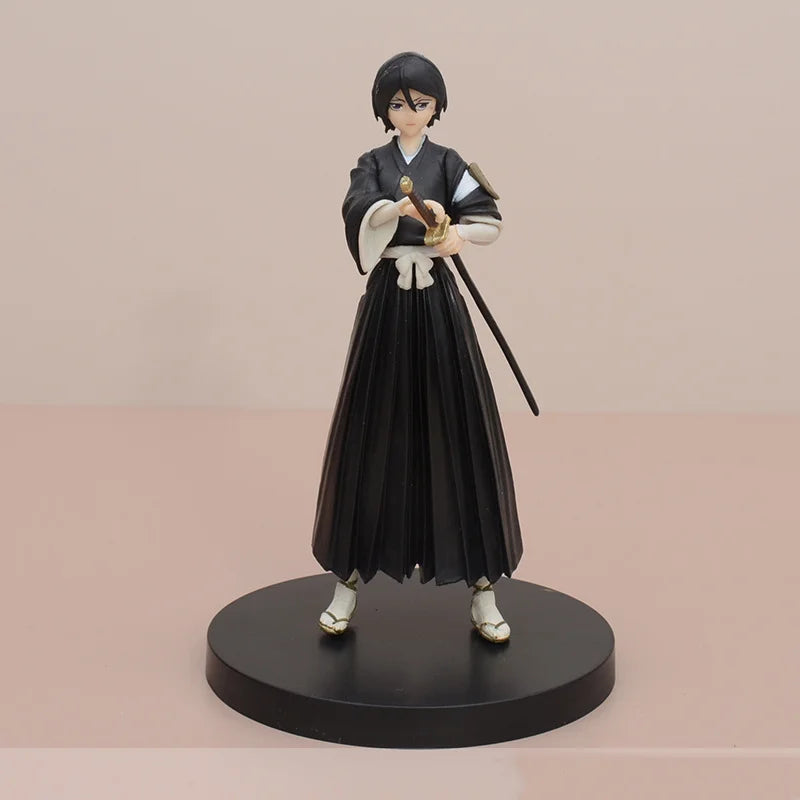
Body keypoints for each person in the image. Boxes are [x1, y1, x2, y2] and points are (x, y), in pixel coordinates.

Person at [311, 52, 523, 643]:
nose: (410, 112)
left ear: (436, 107)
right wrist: (391, 209)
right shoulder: (373, 163)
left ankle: (483, 588)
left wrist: (457, 236)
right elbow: (356, 208)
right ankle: (347, 581)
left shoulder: (449, 162)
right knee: (370, 427)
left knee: (460, 426)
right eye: (400, 103)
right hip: (388, 303)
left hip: (437, 305)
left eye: (421, 103)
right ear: (385, 109)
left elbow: (488, 219)